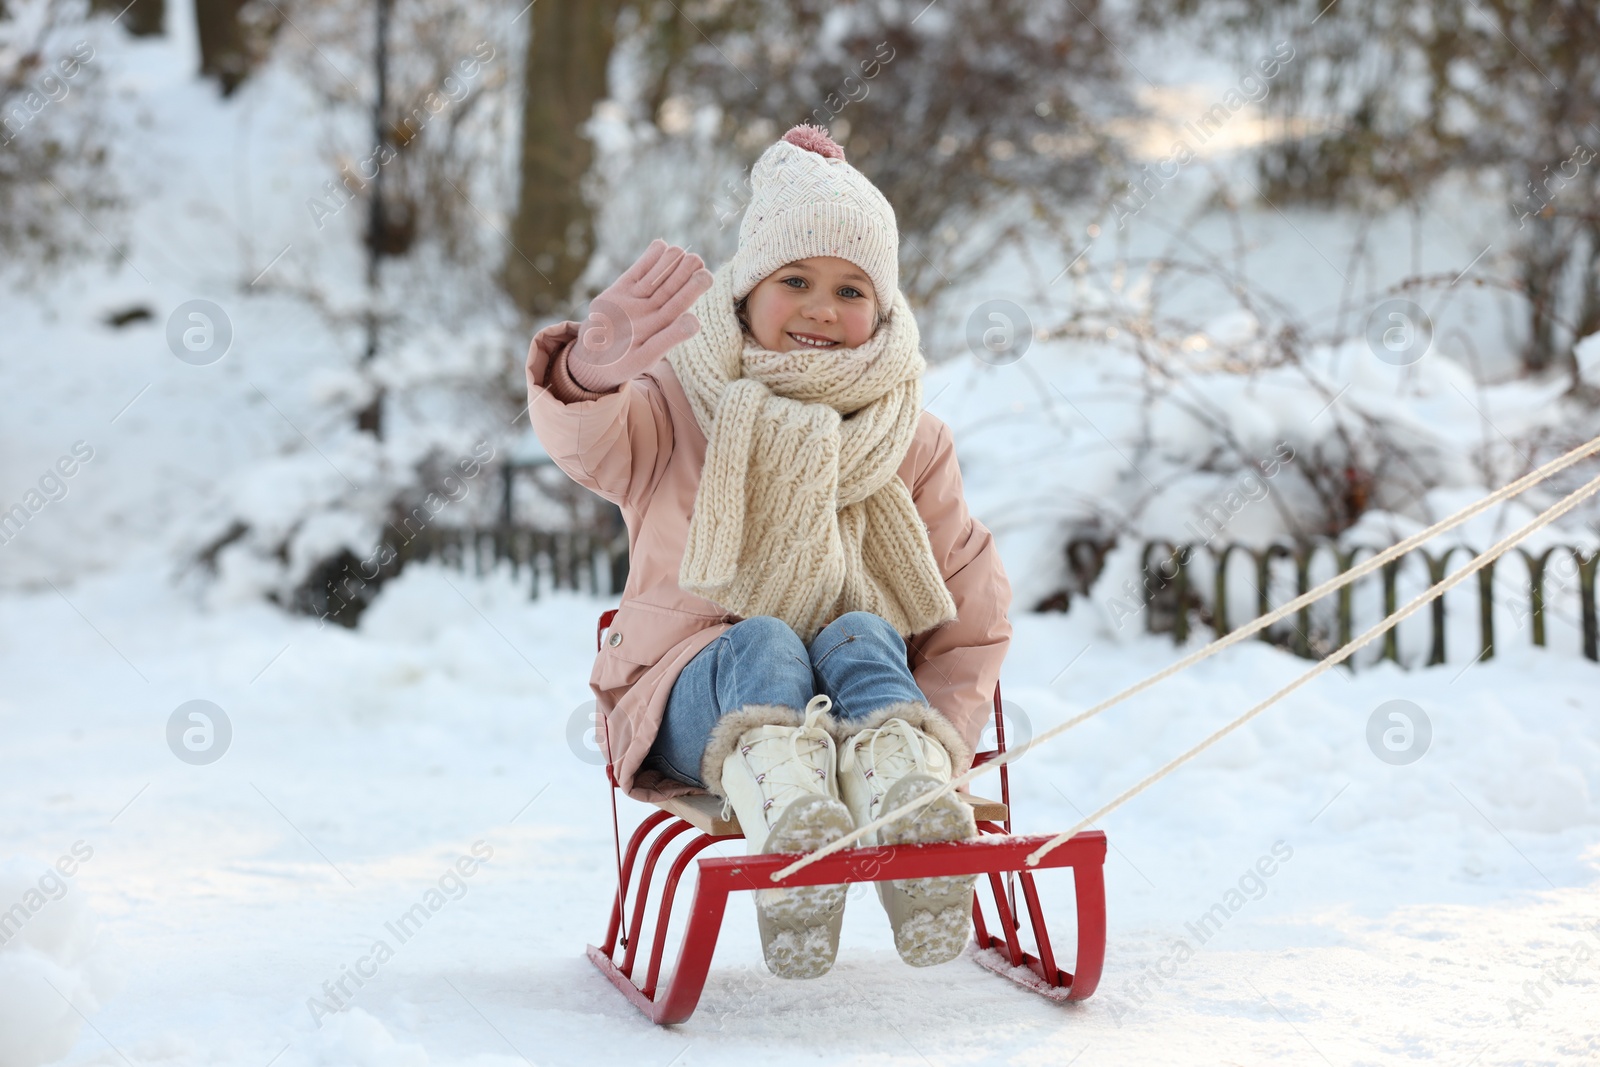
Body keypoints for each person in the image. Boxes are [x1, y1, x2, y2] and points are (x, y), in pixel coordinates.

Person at [525, 123, 1012, 981]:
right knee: (767, 641)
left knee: (863, 627)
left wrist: (948, 740)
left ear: (885, 308)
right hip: (689, 700)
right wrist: (591, 372)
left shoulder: (911, 438)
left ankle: (907, 787)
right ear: (748, 293)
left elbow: (965, 606)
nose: (823, 307)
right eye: (796, 280)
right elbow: (591, 445)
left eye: (851, 288)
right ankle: (794, 833)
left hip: (855, 699)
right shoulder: (678, 399)